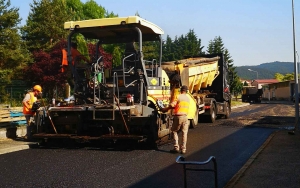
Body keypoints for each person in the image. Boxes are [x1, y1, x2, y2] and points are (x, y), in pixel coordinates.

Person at [161, 85, 190, 154]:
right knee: (184, 132)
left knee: (174, 131)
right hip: (185, 117)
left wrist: (165, 109)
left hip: (178, 117)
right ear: (186, 91)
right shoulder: (187, 99)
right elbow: (180, 106)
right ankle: (183, 149)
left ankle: (176, 147)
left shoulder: (178, 96)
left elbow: (172, 105)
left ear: (181, 90)